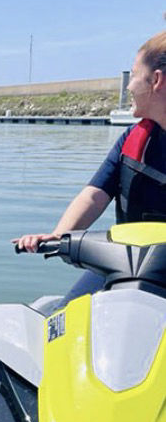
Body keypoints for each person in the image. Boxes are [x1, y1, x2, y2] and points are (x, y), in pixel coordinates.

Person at [13, 31, 166, 300]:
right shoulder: (132, 140)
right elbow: (95, 194)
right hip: (126, 265)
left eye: (133, 74)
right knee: (63, 316)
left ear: (156, 80)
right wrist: (58, 237)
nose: (128, 87)